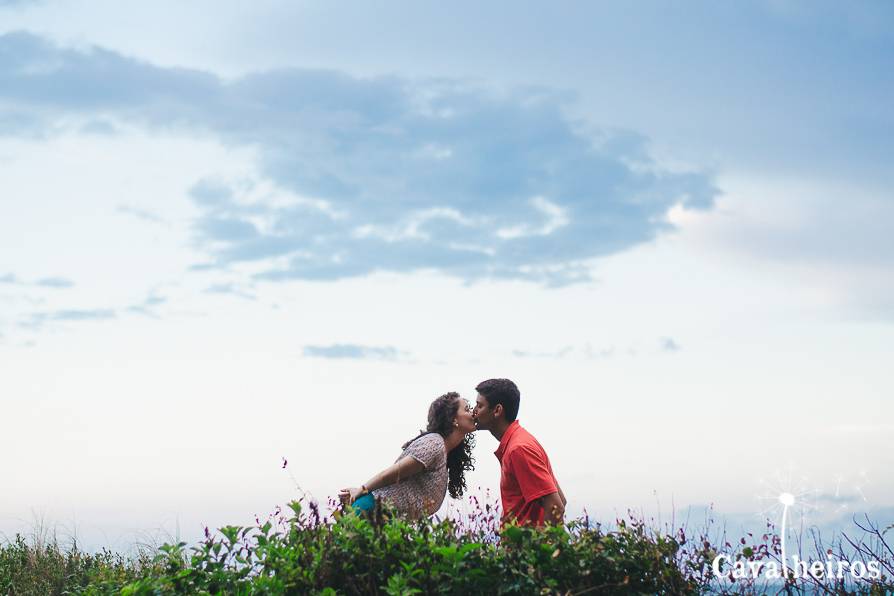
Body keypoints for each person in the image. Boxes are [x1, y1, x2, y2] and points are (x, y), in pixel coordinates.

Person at [339, 391, 477, 519]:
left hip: (385, 518)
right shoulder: (435, 444)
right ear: (454, 420)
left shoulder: (446, 453)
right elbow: (392, 473)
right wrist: (362, 490)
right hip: (371, 511)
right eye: (467, 409)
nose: (473, 413)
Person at [473, 378, 566, 526]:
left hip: (526, 548)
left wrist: (538, 548)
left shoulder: (519, 449)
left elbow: (556, 507)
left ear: (497, 410)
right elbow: (561, 499)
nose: (474, 411)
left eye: (479, 405)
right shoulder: (519, 441)